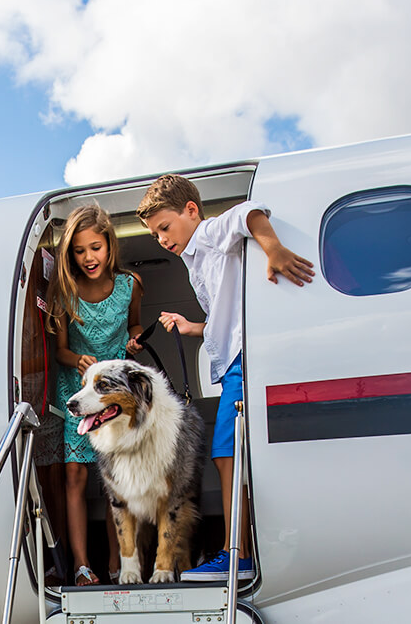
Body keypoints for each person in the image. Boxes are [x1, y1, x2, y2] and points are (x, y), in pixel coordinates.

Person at [136, 174, 313, 581]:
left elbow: (249, 215)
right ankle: (240, 549)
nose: (162, 240)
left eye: (165, 228)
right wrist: (191, 326)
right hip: (230, 359)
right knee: (228, 455)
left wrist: (275, 251)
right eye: (155, 235)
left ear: (191, 211)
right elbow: (224, 317)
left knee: (227, 455)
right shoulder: (194, 258)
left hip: (240, 361)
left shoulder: (212, 232)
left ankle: (237, 554)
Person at [49, 204, 144, 586]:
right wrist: (77, 359)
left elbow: (135, 321)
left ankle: (118, 562)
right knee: (75, 473)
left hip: (114, 396)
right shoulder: (64, 292)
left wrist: (134, 339)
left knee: (114, 479)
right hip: (76, 386)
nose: (89, 257)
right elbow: (60, 351)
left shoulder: (130, 285)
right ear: (70, 254)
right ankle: (83, 566)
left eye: (96, 248)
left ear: (110, 247)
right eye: (79, 250)